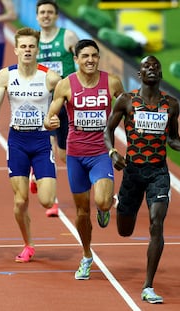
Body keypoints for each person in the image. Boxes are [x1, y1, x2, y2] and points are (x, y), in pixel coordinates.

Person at [104, 55, 180, 304]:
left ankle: (148, 285)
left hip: (158, 172)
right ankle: (112, 205)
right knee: (125, 230)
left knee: (156, 223)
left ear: (161, 75)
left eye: (156, 67)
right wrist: (113, 152)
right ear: (139, 74)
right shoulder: (126, 100)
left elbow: (173, 138)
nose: (151, 69)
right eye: (146, 67)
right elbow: (108, 129)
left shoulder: (171, 105)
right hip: (132, 171)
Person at [44, 39, 124, 280]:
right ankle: (87, 256)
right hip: (76, 155)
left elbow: (128, 109)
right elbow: (49, 117)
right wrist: (52, 122)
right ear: (76, 59)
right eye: (85, 56)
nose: (90, 60)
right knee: (81, 212)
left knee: (101, 201)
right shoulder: (65, 85)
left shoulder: (111, 82)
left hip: (101, 152)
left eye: (94, 56)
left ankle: (105, 207)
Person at [0, 27, 61, 263]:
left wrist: (55, 119)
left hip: (40, 141)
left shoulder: (50, 77)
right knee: (20, 202)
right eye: (23, 46)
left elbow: (61, 108)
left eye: (31, 46)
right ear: (16, 49)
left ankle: (35, 178)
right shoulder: (5, 76)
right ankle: (28, 245)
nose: (27, 50)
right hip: (17, 141)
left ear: (37, 49)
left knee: (47, 201)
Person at [30, 0, 80, 217]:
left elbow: (83, 62)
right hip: (42, 103)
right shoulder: (32, 41)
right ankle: (53, 200)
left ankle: (35, 175)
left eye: (50, 12)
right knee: (47, 149)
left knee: (64, 154)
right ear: (37, 16)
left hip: (66, 103)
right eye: (42, 12)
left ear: (56, 15)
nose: (46, 16)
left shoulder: (68, 37)